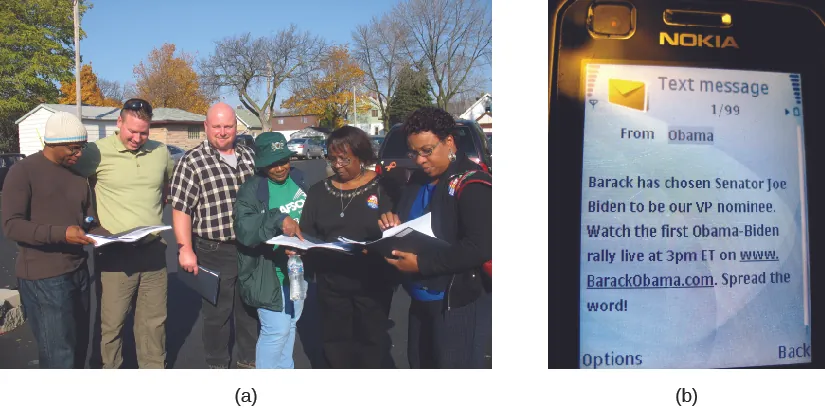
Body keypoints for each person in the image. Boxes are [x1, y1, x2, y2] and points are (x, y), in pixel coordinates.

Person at [379, 107, 492, 369]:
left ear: (449, 142)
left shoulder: (473, 184)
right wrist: (394, 225)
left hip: (456, 302)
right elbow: (412, 221)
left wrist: (421, 264)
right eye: (413, 153)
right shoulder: (417, 181)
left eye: (427, 151)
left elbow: (479, 247)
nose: (420, 160)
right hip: (419, 300)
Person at [72, 98, 174, 369]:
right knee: (112, 325)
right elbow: (71, 186)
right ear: (119, 122)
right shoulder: (96, 152)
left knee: (154, 324)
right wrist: (90, 222)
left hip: (153, 251)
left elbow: (165, 186)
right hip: (115, 253)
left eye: (144, 133)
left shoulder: (161, 152)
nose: (137, 139)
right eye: (132, 131)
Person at [1, 112, 97, 368]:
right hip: (44, 278)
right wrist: (61, 233)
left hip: (78, 272)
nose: (79, 154)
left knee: (79, 348)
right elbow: (12, 226)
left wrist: (113, 236)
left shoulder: (77, 176)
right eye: (73, 148)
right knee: (59, 356)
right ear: (52, 143)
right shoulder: (23, 172)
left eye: (82, 147)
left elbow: (88, 219)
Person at [169, 102, 259, 369]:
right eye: (217, 126)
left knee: (249, 309)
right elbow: (181, 208)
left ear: (236, 127)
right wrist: (185, 248)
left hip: (250, 249)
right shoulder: (192, 161)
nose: (222, 132)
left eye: (228, 126)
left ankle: (248, 362)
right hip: (214, 249)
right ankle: (217, 365)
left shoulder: (249, 156)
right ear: (206, 127)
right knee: (217, 314)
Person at [299, 126, 397, 369]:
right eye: (332, 159)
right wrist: (299, 246)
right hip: (331, 284)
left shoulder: (384, 188)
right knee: (335, 343)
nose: (338, 165)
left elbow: (396, 232)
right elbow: (307, 233)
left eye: (344, 159)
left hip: (372, 282)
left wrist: (391, 228)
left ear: (360, 156)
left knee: (372, 343)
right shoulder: (318, 192)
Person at [233, 132, 308, 369]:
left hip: (297, 270)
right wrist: (278, 218)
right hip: (267, 272)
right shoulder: (252, 189)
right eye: (273, 163)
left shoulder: (300, 179)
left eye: (283, 160)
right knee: (276, 331)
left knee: (290, 325)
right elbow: (244, 230)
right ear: (261, 164)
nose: (280, 168)